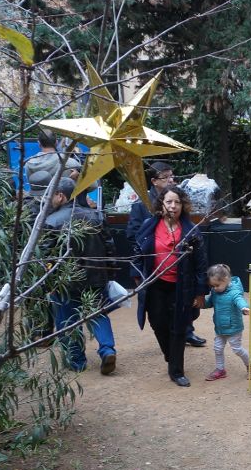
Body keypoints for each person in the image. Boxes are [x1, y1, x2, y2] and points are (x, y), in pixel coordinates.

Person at [133, 186, 209, 387]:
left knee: (178, 327)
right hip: (155, 284)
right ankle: (171, 355)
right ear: (161, 204)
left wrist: (200, 292)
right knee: (158, 323)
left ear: (183, 205)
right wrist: (137, 276)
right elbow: (137, 253)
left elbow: (201, 264)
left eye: (177, 202)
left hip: (182, 287)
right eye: (169, 202)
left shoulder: (191, 230)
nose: (173, 206)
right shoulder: (149, 225)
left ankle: (176, 370)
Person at [44, 177, 117, 375]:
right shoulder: (96, 216)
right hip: (96, 277)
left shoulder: (51, 221)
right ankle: (107, 349)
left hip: (65, 282)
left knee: (67, 320)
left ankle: (77, 360)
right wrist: (109, 274)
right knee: (98, 313)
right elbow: (110, 248)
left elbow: (46, 256)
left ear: (61, 195)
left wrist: (49, 282)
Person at [129, 163, 204, 348]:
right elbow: (132, 234)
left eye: (172, 176)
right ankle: (171, 341)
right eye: (165, 177)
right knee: (158, 313)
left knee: (183, 300)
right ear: (154, 181)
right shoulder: (141, 203)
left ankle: (186, 331)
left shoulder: (178, 201)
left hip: (179, 266)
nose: (171, 179)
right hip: (155, 266)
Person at [203, 264, 251, 382]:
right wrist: (201, 303)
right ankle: (220, 370)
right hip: (220, 327)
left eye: (217, 285)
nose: (215, 288)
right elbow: (209, 302)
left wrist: (244, 308)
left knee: (237, 349)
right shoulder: (215, 292)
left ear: (226, 280)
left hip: (233, 327)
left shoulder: (234, 292)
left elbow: (239, 300)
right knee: (217, 348)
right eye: (212, 285)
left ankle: (250, 365)